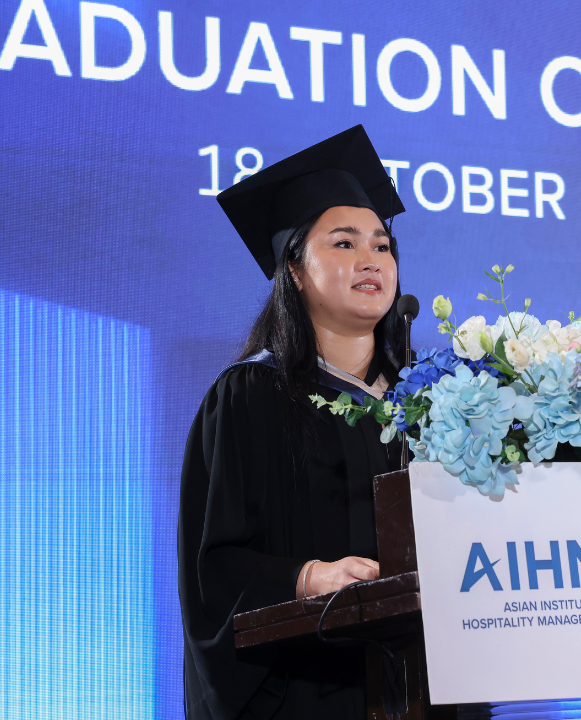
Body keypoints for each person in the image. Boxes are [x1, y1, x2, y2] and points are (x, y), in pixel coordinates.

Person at [178, 125, 408, 720]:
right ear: (295, 270)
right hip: (310, 689)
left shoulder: (428, 402)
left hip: (420, 683)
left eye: (382, 246)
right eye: (343, 243)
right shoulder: (254, 394)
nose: (370, 260)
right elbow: (215, 568)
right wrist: (306, 577)